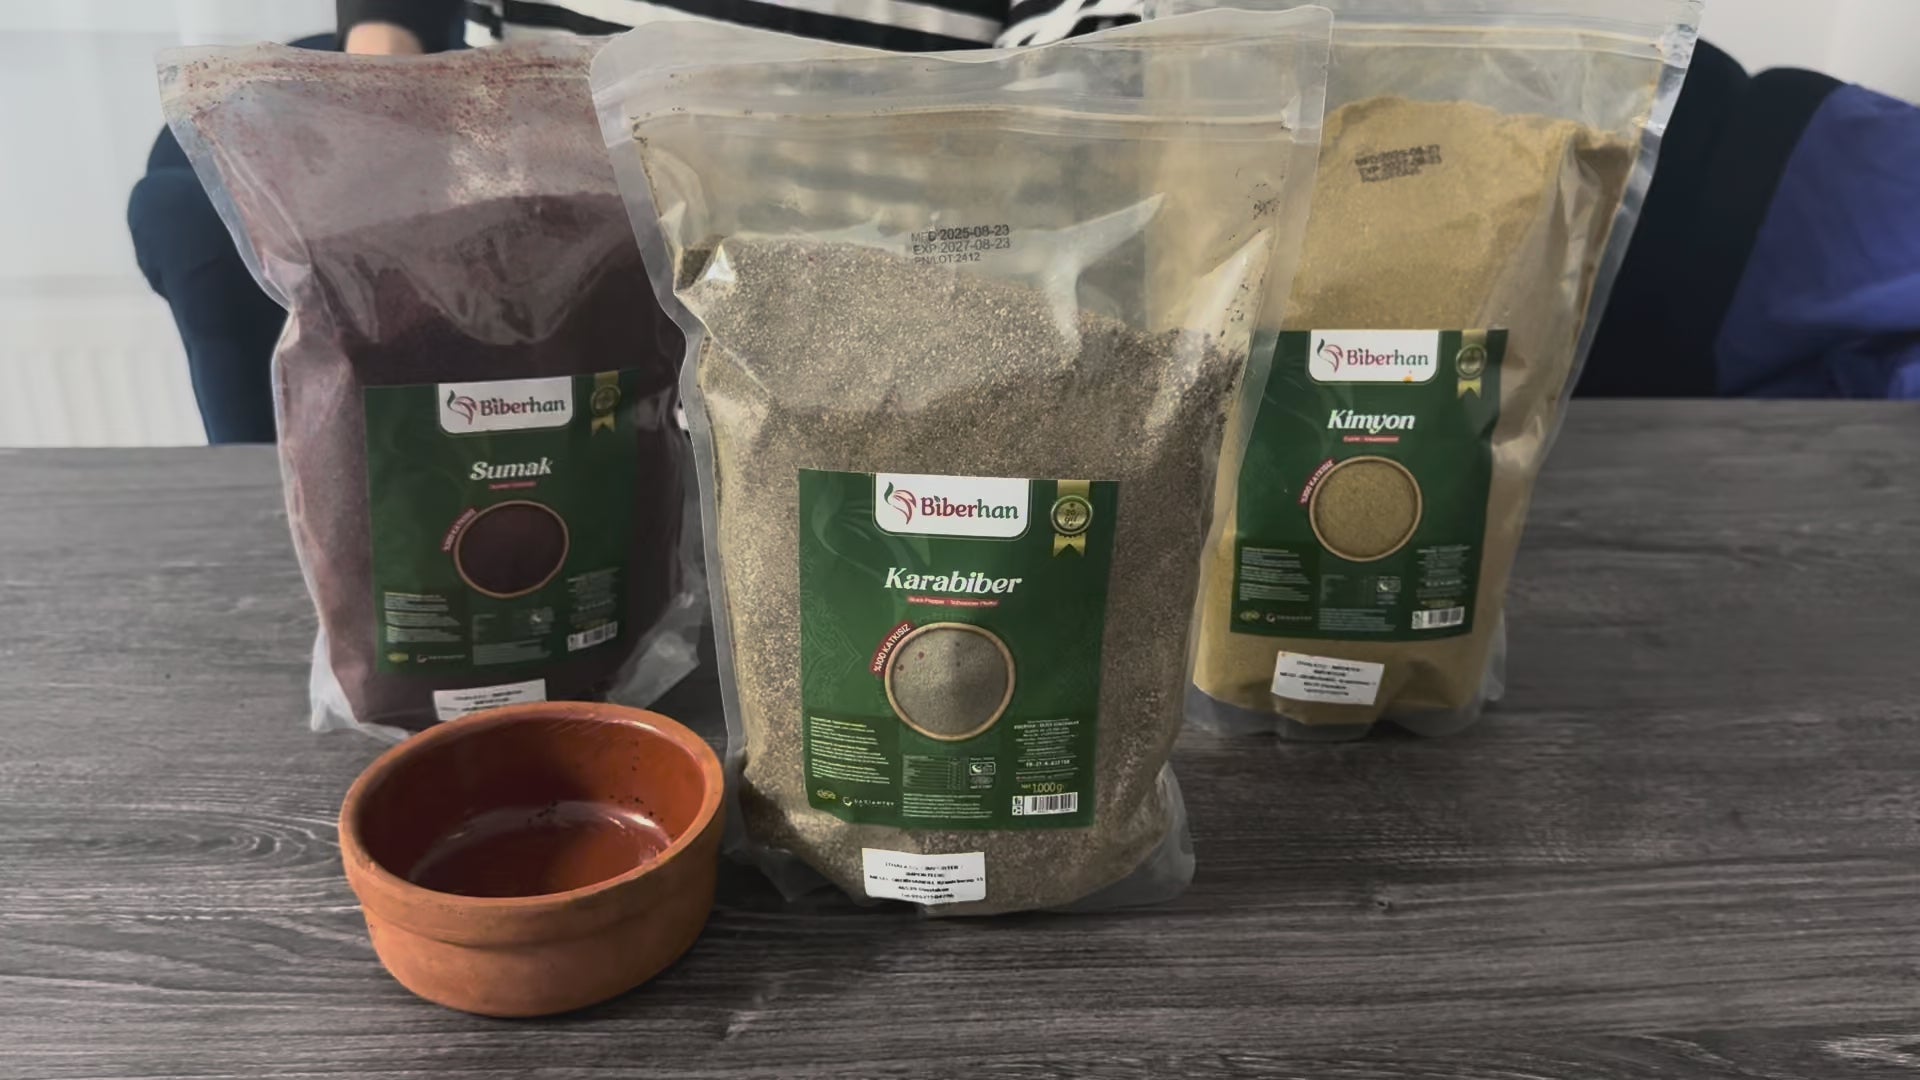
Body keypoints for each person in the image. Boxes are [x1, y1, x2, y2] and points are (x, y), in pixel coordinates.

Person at [129, 1, 1138, 444]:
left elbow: (1095, 75)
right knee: (190, 198)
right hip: (562, 235)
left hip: (868, 268)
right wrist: (381, 128)